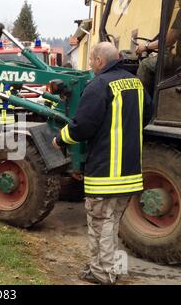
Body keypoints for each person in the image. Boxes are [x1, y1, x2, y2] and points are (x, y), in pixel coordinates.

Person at [53, 42, 153, 285]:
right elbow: (147, 115)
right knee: (111, 222)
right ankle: (107, 267)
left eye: (91, 61)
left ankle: (103, 273)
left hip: (106, 173)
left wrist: (60, 138)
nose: (89, 65)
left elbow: (83, 126)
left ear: (100, 60)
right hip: (130, 173)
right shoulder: (136, 83)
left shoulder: (99, 85)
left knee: (100, 223)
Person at [136, 0, 181, 95]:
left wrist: (146, 46)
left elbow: (168, 40)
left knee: (145, 65)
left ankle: (144, 106)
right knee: (165, 56)